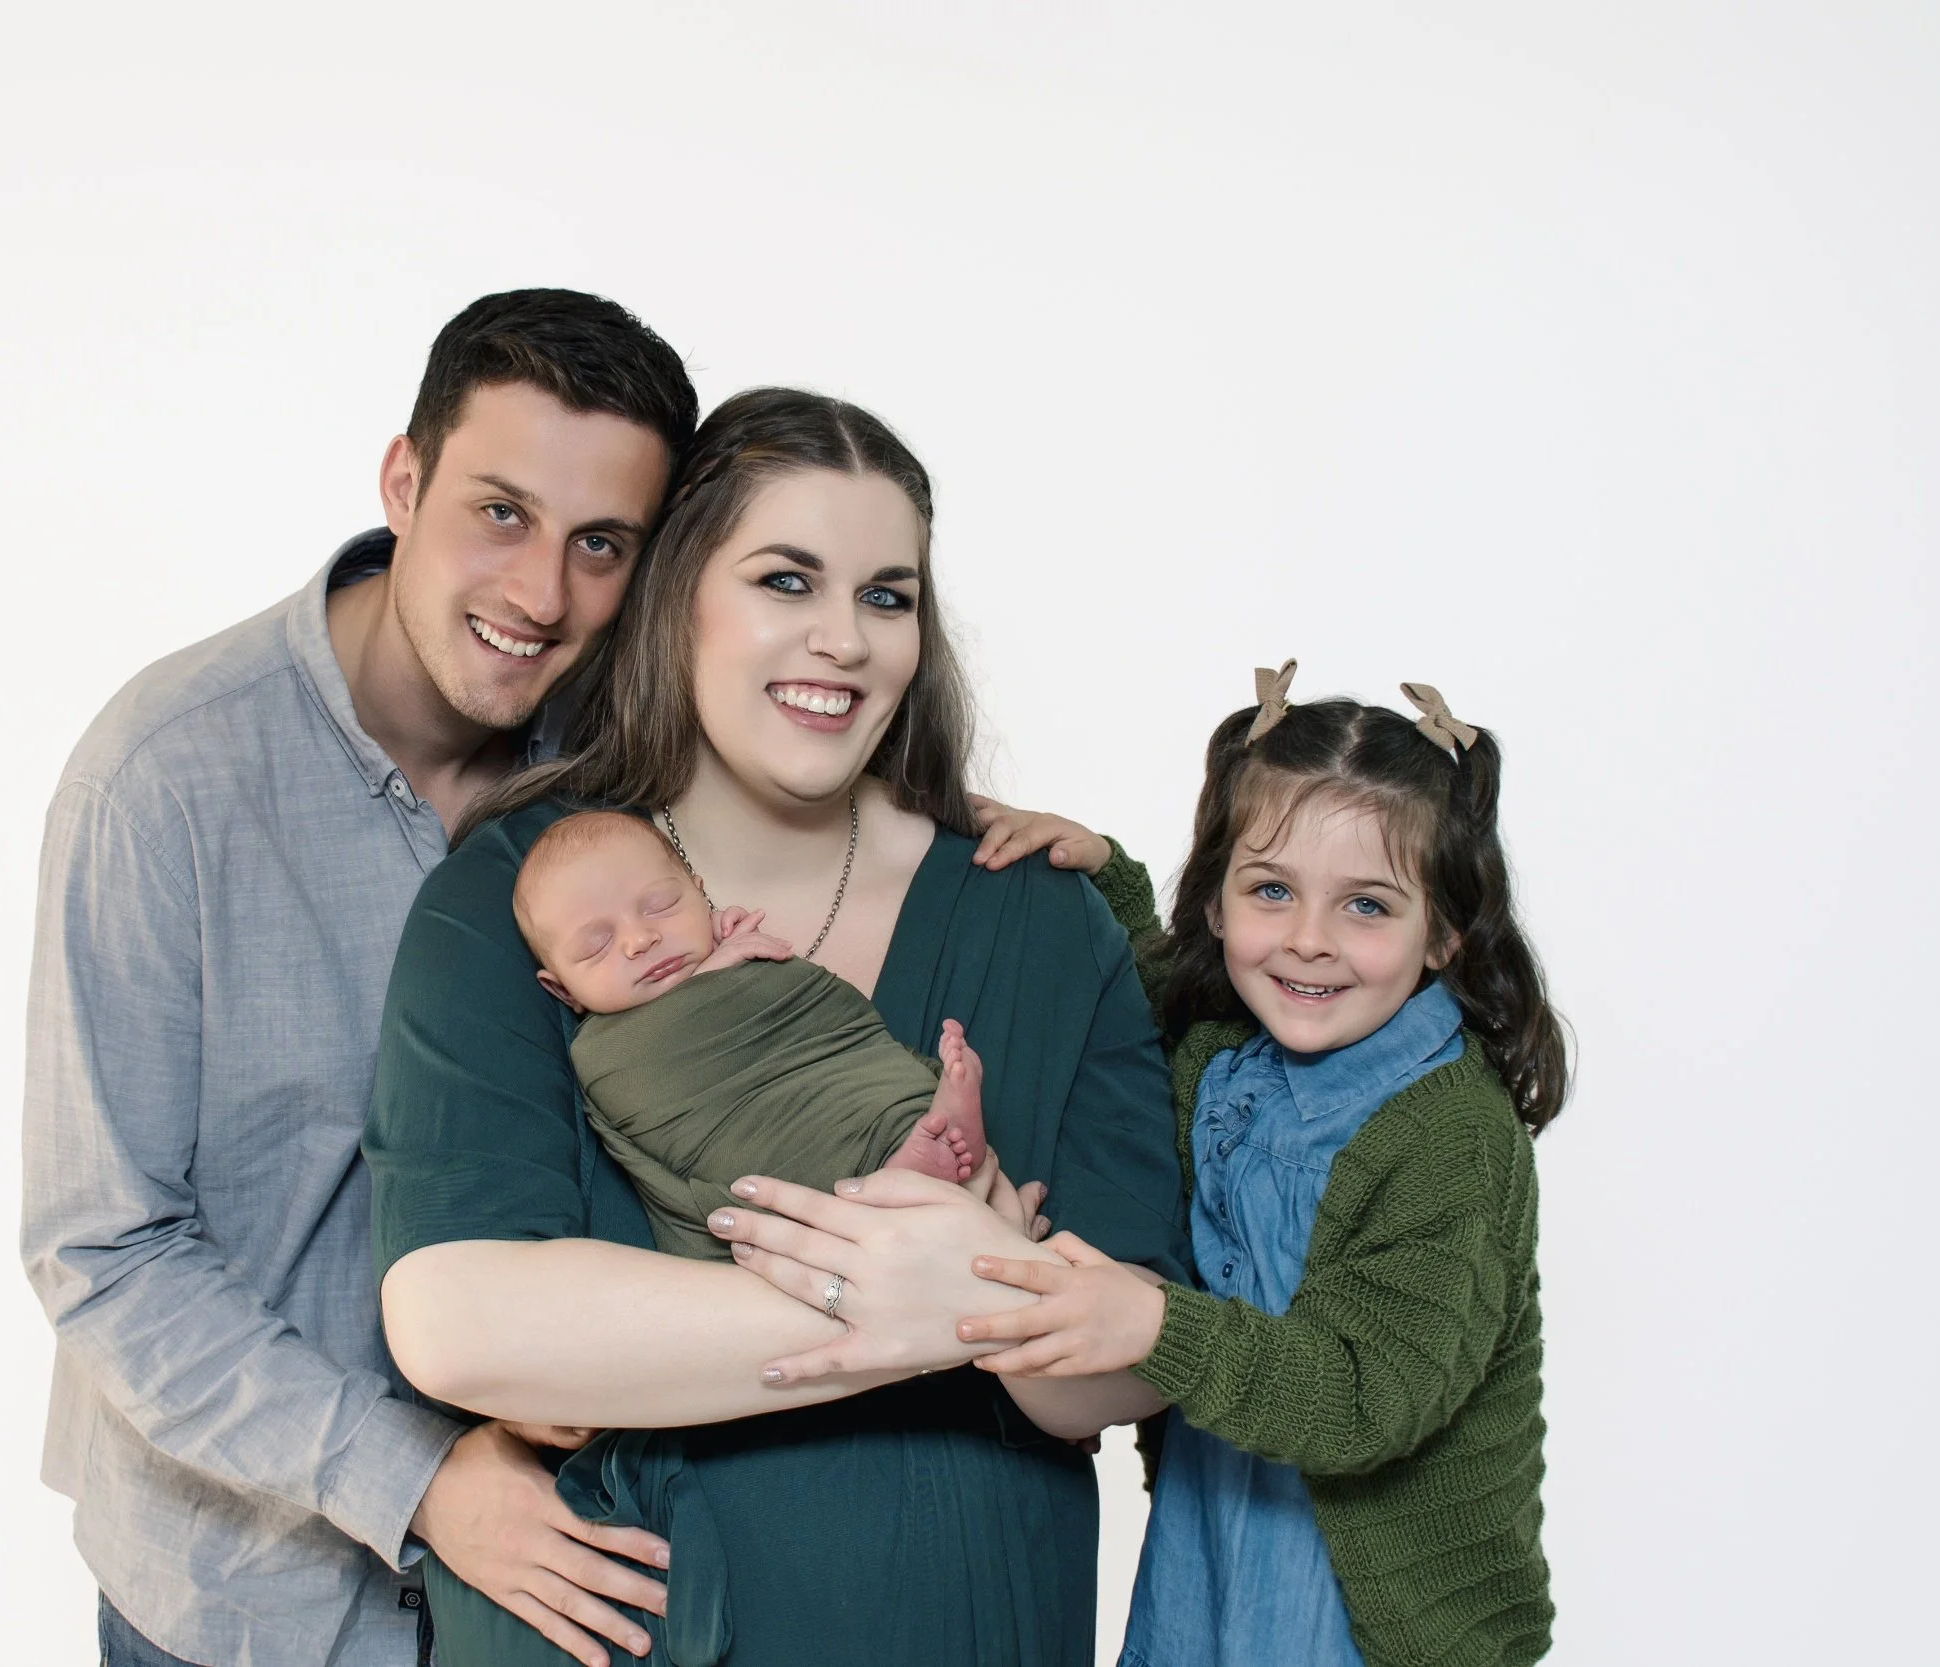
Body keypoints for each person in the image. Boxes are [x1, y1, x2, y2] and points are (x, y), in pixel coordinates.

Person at [364, 387, 1189, 1667]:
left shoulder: (1038, 918)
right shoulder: (520, 901)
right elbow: (461, 1321)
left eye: (885, 595)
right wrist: (962, 1295)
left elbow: (1135, 1356)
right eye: (785, 579)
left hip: (966, 1619)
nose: (843, 639)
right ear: (680, 590)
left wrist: (672, 1329)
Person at [21, 289, 700, 1667]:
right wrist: (420, 1479)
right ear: (404, 479)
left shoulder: (633, 769)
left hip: (564, 1588)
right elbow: (103, 1249)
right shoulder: (165, 776)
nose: (540, 594)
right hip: (240, 1603)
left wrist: (993, 836)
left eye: (601, 544)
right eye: (499, 511)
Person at [952, 665, 1564, 1667]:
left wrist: (1153, 1324)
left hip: (1378, 1612)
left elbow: (1369, 1394)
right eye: (1270, 889)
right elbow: (1139, 972)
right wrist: (1100, 871)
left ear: (1445, 934)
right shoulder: (1219, 1048)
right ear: (1220, 898)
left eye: (1366, 905)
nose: (1307, 941)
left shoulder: (1449, 1134)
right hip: (1212, 1556)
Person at [512, 807, 990, 1257]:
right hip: (750, 1139)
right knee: (771, 1151)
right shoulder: (606, 1053)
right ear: (562, 990)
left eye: (662, 907)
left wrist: (724, 957)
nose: (641, 940)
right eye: (597, 945)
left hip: (835, 1083)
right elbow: (649, 1090)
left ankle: (922, 1131)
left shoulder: (746, 956)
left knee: (878, 1081)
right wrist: (710, 976)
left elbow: (836, 1035)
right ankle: (892, 1174)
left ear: (701, 896)